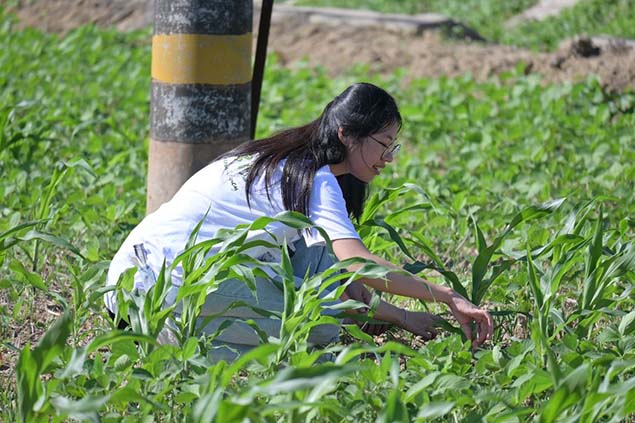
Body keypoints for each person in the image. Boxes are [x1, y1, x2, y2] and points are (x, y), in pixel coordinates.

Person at [105, 82, 493, 360]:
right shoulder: (315, 179)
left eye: (393, 146)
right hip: (157, 291)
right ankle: (187, 349)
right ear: (347, 135)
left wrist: (403, 317)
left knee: (318, 266)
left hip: (127, 279)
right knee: (319, 324)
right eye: (383, 144)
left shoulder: (272, 157)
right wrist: (447, 295)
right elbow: (356, 263)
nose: (388, 157)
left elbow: (333, 272)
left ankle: (190, 340)